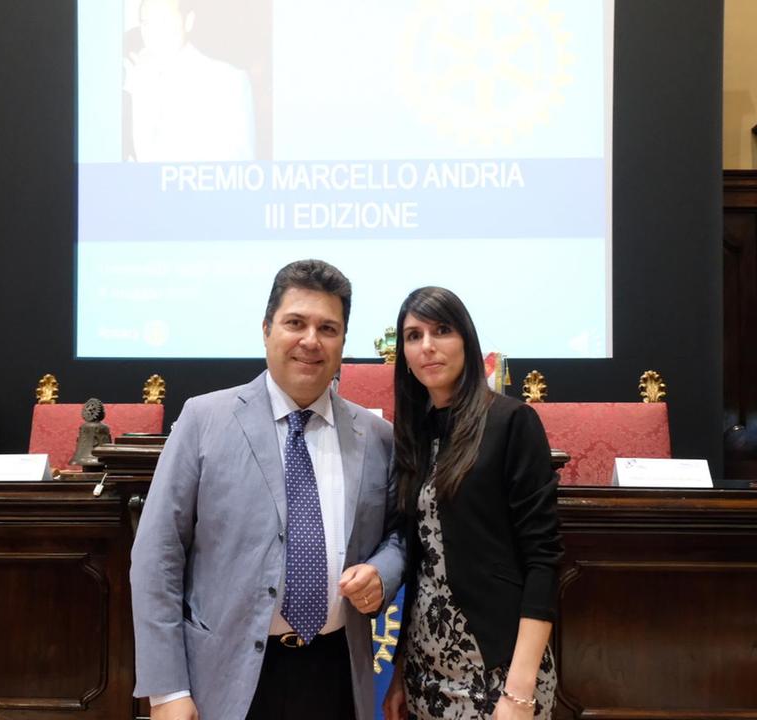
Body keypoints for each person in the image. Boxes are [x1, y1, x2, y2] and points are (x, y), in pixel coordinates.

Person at [131, 259, 403, 720]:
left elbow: (399, 535)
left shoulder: (376, 435)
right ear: (266, 329)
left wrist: (382, 570)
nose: (311, 341)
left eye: (328, 328)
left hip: (338, 674)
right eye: (295, 323)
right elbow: (157, 557)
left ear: (342, 342)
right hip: (224, 680)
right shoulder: (203, 420)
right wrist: (166, 690)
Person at [383, 287, 563, 720]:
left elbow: (544, 560)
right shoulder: (415, 435)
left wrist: (518, 692)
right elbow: (421, 563)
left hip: (498, 671)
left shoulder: (511, 421)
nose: (427, 346)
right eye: (413, 335)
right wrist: (400, 670)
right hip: (426, 669)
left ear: (466, 338)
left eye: (441, 330)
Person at [124, 0, 256, 162]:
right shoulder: (138, 78)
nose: (153, 31)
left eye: (164, 21)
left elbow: (238, 169)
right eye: (146, 23)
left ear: (188, 21)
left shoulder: (227, 81)